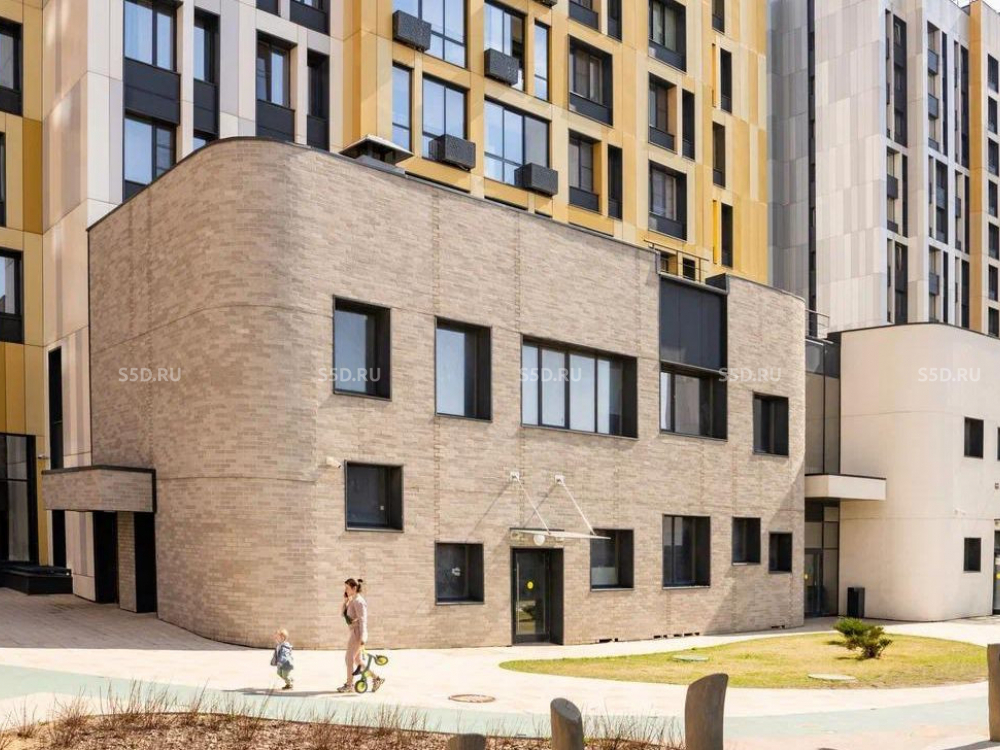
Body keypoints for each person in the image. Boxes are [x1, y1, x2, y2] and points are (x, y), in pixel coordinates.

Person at [337, 578, 384, 693]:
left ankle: (349, 685)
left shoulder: (359, 602)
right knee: (357, 660)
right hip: (354, 632)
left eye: (347, 588)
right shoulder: (352, 600)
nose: (345, 590)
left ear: (354, 588)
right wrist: (346, 601)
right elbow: (342, 614)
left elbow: (363, 620)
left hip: (357, 633)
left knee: (349, 658)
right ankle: (376, 678)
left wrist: (363, 638)